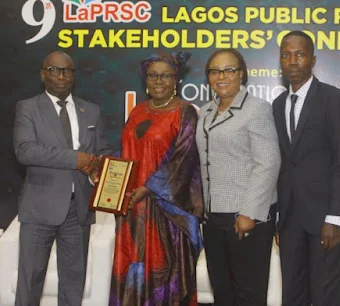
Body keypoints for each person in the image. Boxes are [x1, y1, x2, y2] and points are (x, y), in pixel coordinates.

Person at [13, 51, 112, 306]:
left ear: (73, 76)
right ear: (43, 73)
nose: (61, 76)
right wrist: (76, 159)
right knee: (30, 282)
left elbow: (103, 153)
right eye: (54, 70)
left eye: (67, 71)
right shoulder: (28, 107)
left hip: (78, 211)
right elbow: (25, 150)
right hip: (39, 209)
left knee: (73, 284)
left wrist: (99, 172)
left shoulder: (91, 110)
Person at [109, 52, 203, 306]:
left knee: (165, 278)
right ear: (145, 80)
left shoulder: (185, 113)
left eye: (166, 75)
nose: (159, 80)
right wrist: (107, 173)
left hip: (168, 213)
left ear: (176, 80)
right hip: (133, 210)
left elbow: (185, 160)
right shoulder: (138, 112)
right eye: (153, 75)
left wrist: (147, 188)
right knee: (134, 274)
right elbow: (126, 152)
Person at [272, 31, 340, 306]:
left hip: (326, 220)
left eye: (299, 54)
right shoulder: (278, 104)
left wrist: (334, 218)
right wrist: (279, 216)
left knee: (324, 297)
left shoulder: (333, 99)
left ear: (313, 60)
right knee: (292, 296)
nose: (292, 60)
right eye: (286, 55)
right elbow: (286, 164)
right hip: (290, 219)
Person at [196, 48, 281, 306]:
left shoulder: (256, 109)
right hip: (213, 217)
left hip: (245, 216)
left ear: (241, 74)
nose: (221, 76)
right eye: (215, 71)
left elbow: (268, 162)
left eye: (229, 70)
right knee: (222, 290)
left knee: (248, 294)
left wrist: (249, 213)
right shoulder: (205, 111)